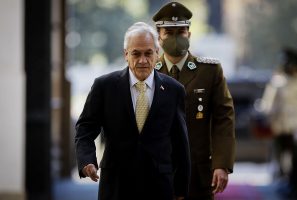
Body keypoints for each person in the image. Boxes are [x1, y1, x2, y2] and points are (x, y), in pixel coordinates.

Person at [75, 22, 191, 200]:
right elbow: (85, 128)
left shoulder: (174, 90)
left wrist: (181, 189)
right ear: (126, 55)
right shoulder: (104, 87)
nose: (142, 60)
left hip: (159, 186)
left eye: (148, 53)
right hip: (117, 184)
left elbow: (180, 143)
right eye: (136, 53)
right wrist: (87, 160)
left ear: (157, 54)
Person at [152, 2, 236, 199]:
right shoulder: (148, 72)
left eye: (180, 32)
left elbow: (223, 119)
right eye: (168, 33)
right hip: (157, 170)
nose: (175, 38)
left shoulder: (209, 71)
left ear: (189, 34)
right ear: (159, 37)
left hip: (198, 171)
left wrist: (221, 164)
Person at [260, 47, 297, 196]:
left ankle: (293, 183)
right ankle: (286, 181)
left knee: (295, 157)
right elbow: (269, 105)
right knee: (284, 156)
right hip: (282, 127)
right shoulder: (278, 80)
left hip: (296, 127)